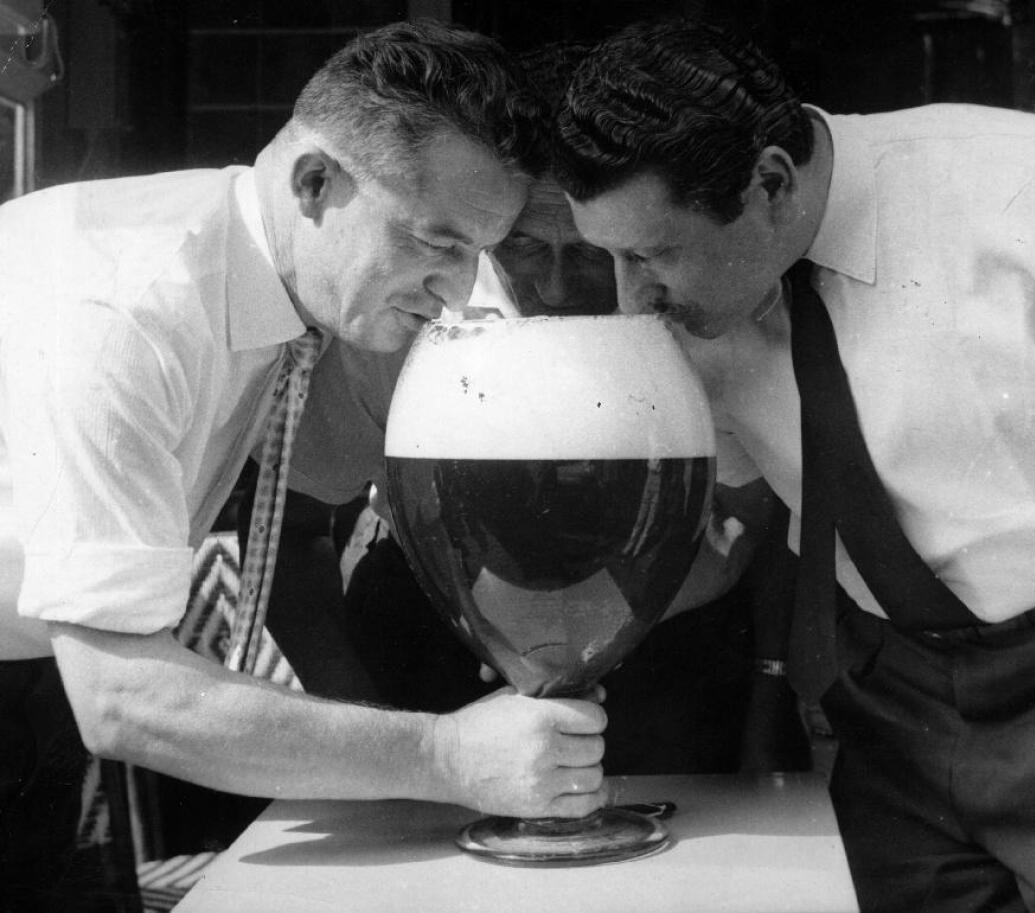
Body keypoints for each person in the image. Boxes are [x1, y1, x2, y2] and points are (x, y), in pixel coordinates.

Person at [552, 17, 1035, 913]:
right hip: (895, 704)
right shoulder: (697, 310)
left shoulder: (1026, 183)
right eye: (609, 257)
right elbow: (732, 526)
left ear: (770, 184)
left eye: (651, 254)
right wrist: (557, 638)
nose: (633, 299)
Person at [0, 20, 609, 912]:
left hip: (39, 667)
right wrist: (445, 757)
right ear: (314, 180)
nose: (456, 290)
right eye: (437, 244)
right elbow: (126, 696)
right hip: (89, 678)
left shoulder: (271, 278)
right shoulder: (129, 308)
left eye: (479, 251)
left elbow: (311, 491)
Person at [281, 40, 812, 778]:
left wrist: (761, 689)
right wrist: (364, 742)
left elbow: (762, 520)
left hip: (668, 647)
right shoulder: (402, 321)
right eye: (526, 246)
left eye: (593, 252)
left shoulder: (704, 303)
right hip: (438, 646)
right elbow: (287, 531)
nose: (559, 284)